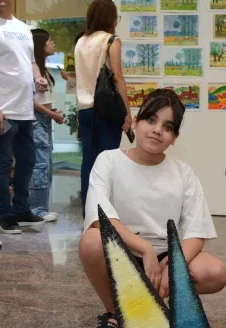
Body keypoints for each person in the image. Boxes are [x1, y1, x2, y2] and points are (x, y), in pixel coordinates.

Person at [78, 89, 226, 328]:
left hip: (165, 257)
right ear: (136, 121)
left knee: (216, 272)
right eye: (151, 120)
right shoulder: (109, 160)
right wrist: (145, 249)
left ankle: (146, 306)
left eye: (168, 127)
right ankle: (115, 314)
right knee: (91, 241)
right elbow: (100, 219)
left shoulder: (183, 173)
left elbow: (197, 232)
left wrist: (174, 264)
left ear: (174, 138)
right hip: (122, 251)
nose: (157, 130)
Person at [0, 0, 49, 234]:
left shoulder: (23, 28)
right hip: (1, 110)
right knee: (3, 163)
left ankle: (21, 210)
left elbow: (31, 61)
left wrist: (38, 77)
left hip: (24, 109)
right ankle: (5, 215)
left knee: (27, 160)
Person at [75, 0, 132, 215]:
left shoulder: (81, 41)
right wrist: (127, 111)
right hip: (107, 110)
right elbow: (117, 77)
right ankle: (106, 214)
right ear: (111, 19)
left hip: (85, 109)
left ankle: (88, 214)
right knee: (108, 163)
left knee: (88, 162)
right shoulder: (111, 41)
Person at [29, 29, 65, 222]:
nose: (53, 44)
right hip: (37, 121)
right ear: (40, 45)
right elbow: (30, 101)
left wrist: (53, 113)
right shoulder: (31, 71)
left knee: (46, 163)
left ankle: (41, 206)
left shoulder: (42, 70)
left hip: (44, 120)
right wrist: (51, 114)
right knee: (40, 164)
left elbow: (43, 100)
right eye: (49, 41)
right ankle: (38, 209)